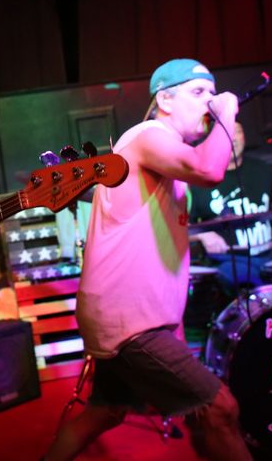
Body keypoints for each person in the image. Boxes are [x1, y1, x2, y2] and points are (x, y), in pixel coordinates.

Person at [45, 59, 252, 461]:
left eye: (213, 93)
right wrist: (227, 110)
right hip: (128, 322)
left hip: (137, 317)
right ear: (165, 100)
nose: (210, 101)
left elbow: (162, 252)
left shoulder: (168, 157)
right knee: (221, 409)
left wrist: (174, 328)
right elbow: (210, 168)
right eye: (198, 92)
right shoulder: (147, 136)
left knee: (104, 413)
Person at [190, 121, 272, 291]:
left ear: (244, 137)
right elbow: (178, 229)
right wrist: (204, 236)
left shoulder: (261, 169)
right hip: (228, 261)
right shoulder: (199, 180)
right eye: (226, 132)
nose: (233, 138)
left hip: (267, 256)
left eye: (237, 131)